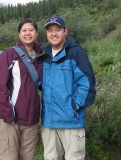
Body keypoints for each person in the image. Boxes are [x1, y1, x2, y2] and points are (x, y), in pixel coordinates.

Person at [41, 16, 97, 160]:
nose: (54, 33)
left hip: (71, 122)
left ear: (65, 31)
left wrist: (74, 106)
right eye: (50, 30)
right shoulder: (43, 55)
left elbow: (87, 83)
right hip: (49, 123)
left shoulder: (76, 53)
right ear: (46, 34)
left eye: (57, 29)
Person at [0, 18, 44, 160]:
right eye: (24, 30)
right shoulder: (8, 55)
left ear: (37, 33)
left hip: (31, 121)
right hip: (10, 120)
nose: (28, 33)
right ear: (19, 33)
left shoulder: (41, 57)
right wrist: (8, 113)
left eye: (31, 30)